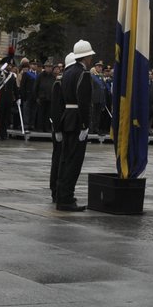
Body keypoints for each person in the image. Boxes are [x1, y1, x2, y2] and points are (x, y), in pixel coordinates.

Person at [50, 42, 95, 212]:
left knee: (64, 160)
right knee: (74, 163)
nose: (91, 59)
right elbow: (83, 102)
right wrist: (85, 125)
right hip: (76, 120)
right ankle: (67, 198)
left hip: (66, 119)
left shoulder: (66, 73)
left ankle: (62, 196)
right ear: (85, 56)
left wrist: (58, 127)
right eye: (90, 56)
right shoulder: (83, 73)